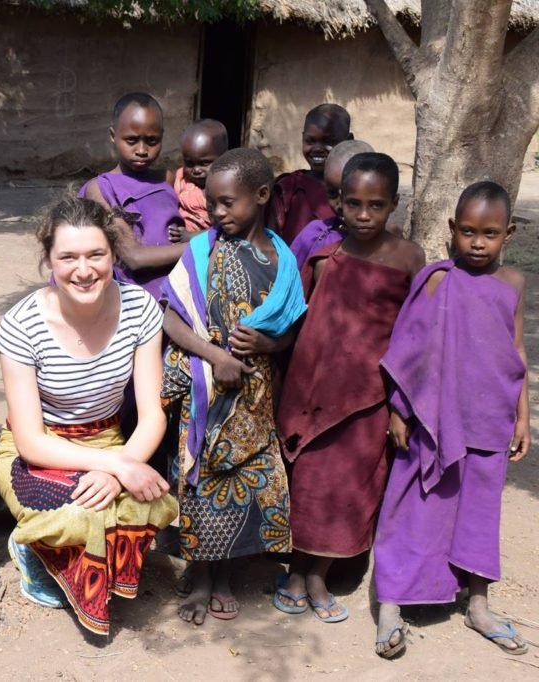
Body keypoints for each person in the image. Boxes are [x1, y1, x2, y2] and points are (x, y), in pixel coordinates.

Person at [0, 196, 178, 636]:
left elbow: (153, 415)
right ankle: (30, 550)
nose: (84, 269)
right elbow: (30, 440)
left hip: (107, 439)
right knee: (80, 515)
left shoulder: (139, 309)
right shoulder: (21, 326)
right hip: (39, 452)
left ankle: (74, 561)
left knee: (147, 501)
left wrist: (118, 470)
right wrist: (117, 466)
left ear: (113, 254)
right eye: (68, 257)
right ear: (49, 260)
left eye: (96, 255)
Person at [373, 182, 530, 658]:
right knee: (413, 507)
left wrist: (523, 418)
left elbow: (516, 352)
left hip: (490, 416)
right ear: (451, 230)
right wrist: (399, 410)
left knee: (480, 514)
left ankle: (479, 604)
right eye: (467, 232)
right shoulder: (437, 280)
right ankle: (391, 606)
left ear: (509, 233)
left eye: (489, 233)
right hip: (435, 418)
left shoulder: (514, 284)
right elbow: (409, 348)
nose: (477, 243)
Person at [275, 153, 425, 623]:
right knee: (307, 483)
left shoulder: (409, 258)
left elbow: (413, 335)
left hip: (370, 395)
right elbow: (296, 318)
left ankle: (317, 574)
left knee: (349, 487)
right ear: (338, 200)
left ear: (394, 205)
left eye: (376, 205)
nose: (363, 215)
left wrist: (401, 406)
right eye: (353, 203)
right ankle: (295, 573)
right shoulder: (325, 252)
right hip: (314, 386)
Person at [163, 148, 306, 626]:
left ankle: (227, 577)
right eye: (212, 202)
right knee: (202, 482)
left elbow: (290, 327)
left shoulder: (281, 258)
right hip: (208, 388)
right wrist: (217, 356)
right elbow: (172, 316)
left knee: (248, 481)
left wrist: (267, 340)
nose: (216, 213)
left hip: (256, 393)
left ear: (261, 196)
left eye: (227, 203)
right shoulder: (201, 250)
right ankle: (203, 578)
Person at [80, 92, 186, 299]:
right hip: (133, 298)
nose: (142, 150)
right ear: (113, 135)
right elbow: (133, 256)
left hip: (177, 288)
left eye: (152, 141)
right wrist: (202, 245)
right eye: (131, 140)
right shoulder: (100, 189)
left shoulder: (167, 179)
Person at [268, 103, 353, 244]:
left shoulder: (356, 188)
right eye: (310, 141)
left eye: (329, 141)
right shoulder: (288, 188)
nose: (318, 148)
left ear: (348, 140)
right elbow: (271, 239)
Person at [288, 139, 373, 268]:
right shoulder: (313, 235)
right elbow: (290, 278)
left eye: (351, 197)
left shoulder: (389, 244)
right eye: (332, 194)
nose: (340, 205)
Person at [172, 119, 229, 237]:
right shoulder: (181, 180)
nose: (196, 170)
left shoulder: (227, 189)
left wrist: (191, 236)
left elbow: (225, 228)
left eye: (205, 163)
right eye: (189, 163)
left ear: (223, 158)